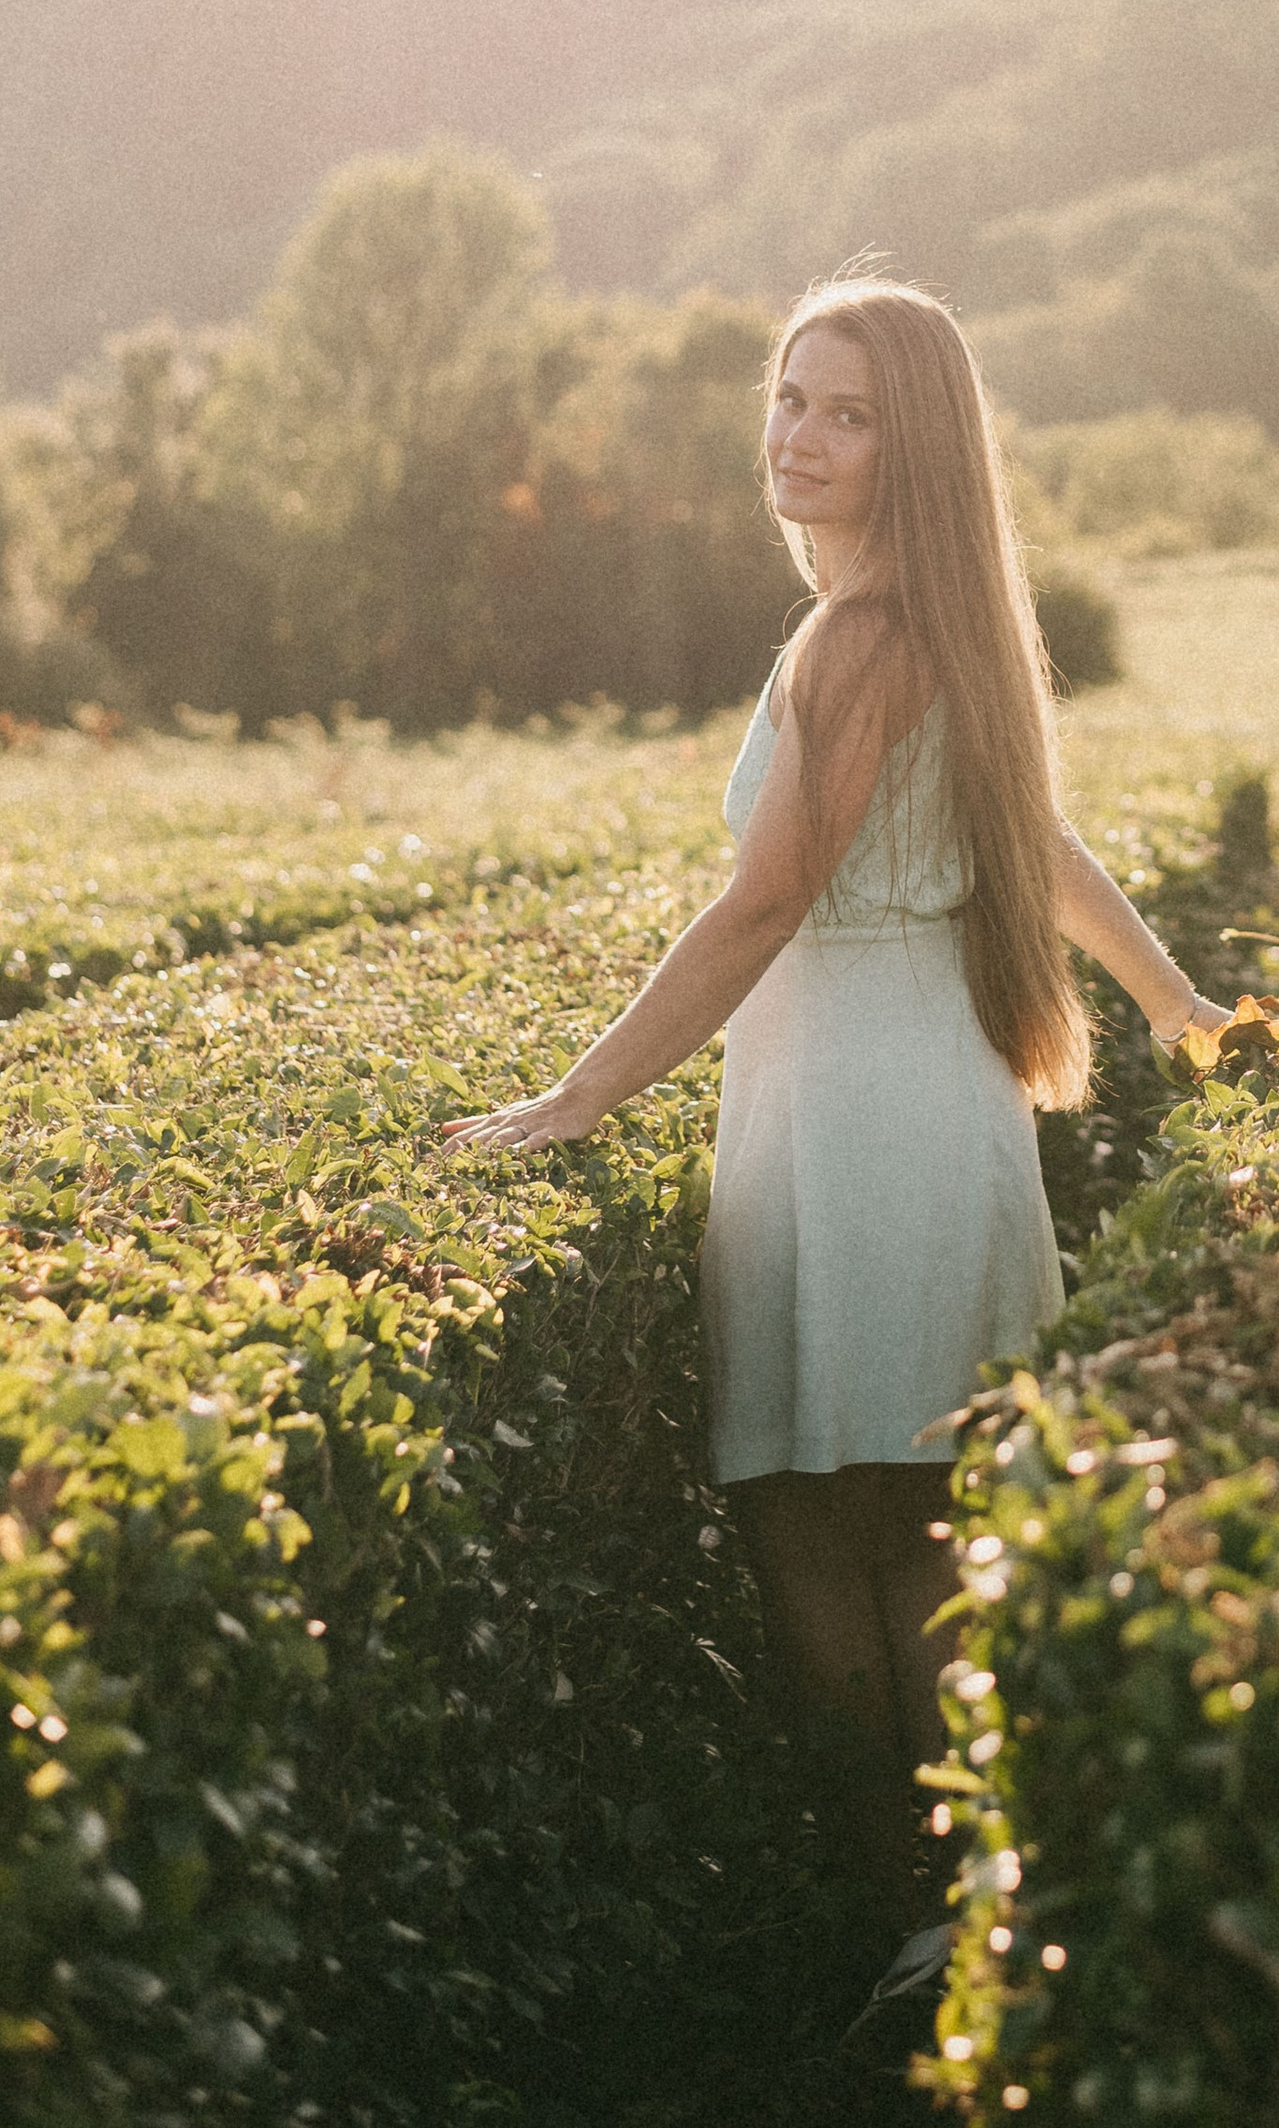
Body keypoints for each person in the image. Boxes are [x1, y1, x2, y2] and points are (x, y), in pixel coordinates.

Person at [443, 274, 1230, 2003]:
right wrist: (1175, 1006)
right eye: (789, 399)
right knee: (919, 1522)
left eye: (846, 410)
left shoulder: (857, 636)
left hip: (854, 1107)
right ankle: (979, 1916)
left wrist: (578, 1097)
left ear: (913, 444)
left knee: (834, 1525)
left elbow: (762, 906)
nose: (798, 436)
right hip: (918, 1093)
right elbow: (1044, 843)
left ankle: (931, 1923)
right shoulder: (924, 621)